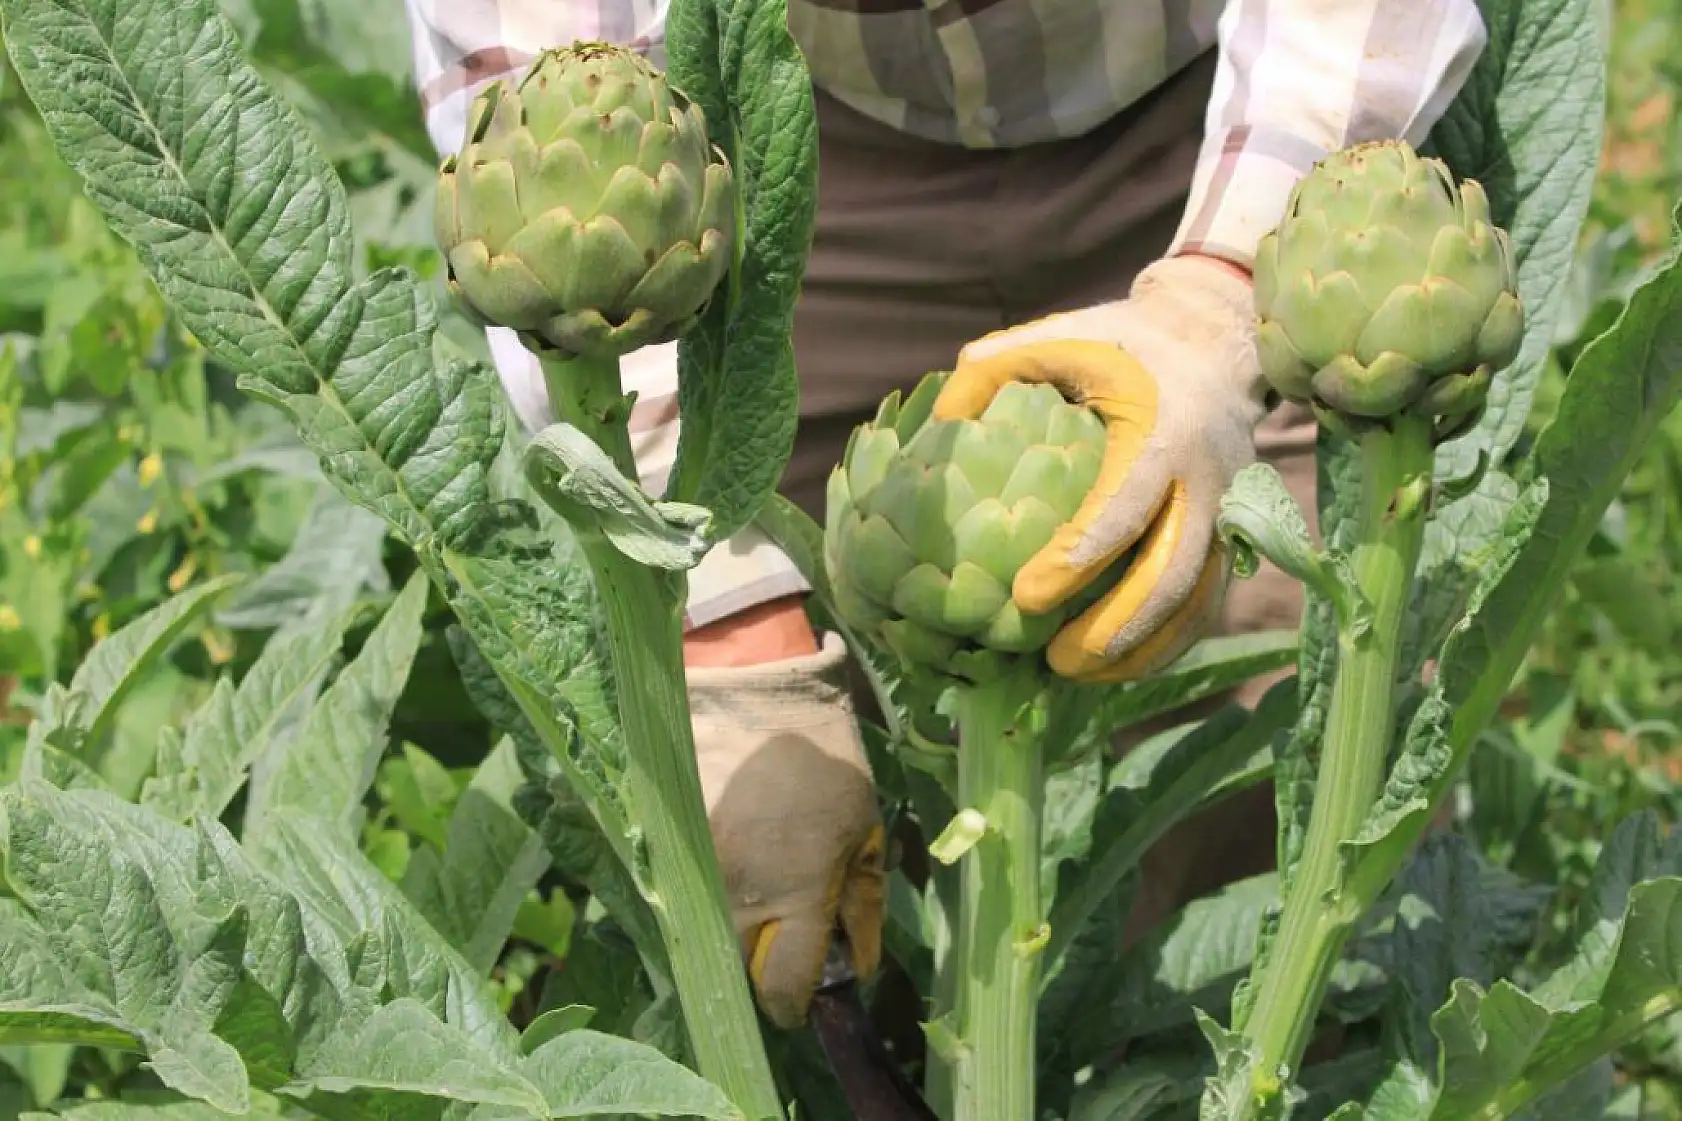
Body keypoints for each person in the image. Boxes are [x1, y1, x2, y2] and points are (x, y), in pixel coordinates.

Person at [403, 0, 1488, 1031]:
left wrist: (1222, 298)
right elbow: (544, 74)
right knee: (801, 828)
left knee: (1275, 730)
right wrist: (722, 611)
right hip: (799, 135)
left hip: (1222, 103)